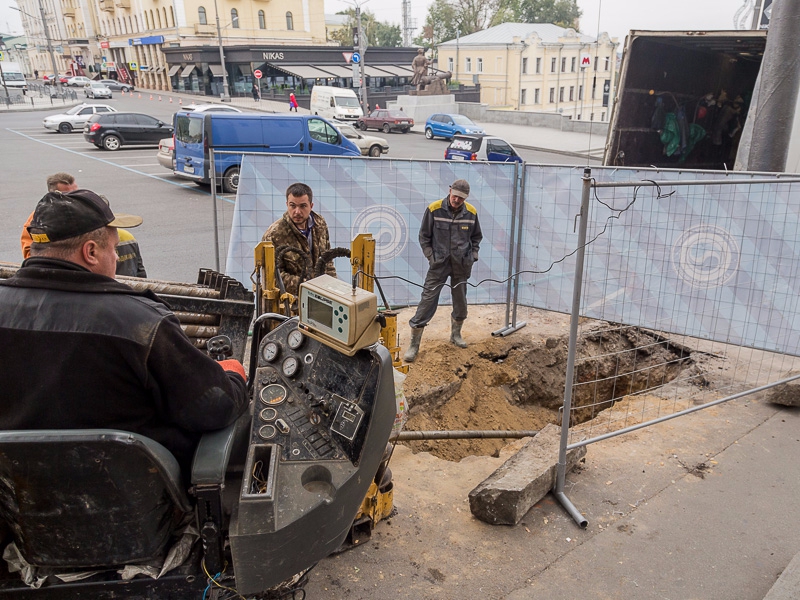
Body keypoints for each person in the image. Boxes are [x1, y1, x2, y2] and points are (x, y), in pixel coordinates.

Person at [0, 188, 248, 476]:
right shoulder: (142, 322)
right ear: (91, 252)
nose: (117, 259)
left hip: (17, 503)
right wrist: (231, 376)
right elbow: (215, 407)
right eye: (113, 249)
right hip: (134, 507)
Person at [404, 179, 482, 362]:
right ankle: (414, 344)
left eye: (461, 198)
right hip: (438, 264)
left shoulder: (471, 213)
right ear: (449, 191)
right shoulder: (434, 209)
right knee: (427, 300)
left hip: (461, 265)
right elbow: (424, 236)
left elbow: (476, 237)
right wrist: (431, 257)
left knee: (461, 301)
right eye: (455, 196)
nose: (457, 200)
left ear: (466, 198)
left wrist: (473, 256)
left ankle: (455, 335)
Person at [20, 173, 148, 278]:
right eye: (67, 194)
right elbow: (35, 255)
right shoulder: (38, 221)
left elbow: (140, 272)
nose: (75, 197)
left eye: (75, 191)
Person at [262, 182, 336, 301]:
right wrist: (308, 286)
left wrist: (334, 290)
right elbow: (273, 277)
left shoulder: (320, 224)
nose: (297, 212)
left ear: (311, 206)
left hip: (320, 298)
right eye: (292, 206)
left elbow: (328, 262)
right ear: (287, 204)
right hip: (289, 303)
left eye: (302, 206)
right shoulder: (274, 234)